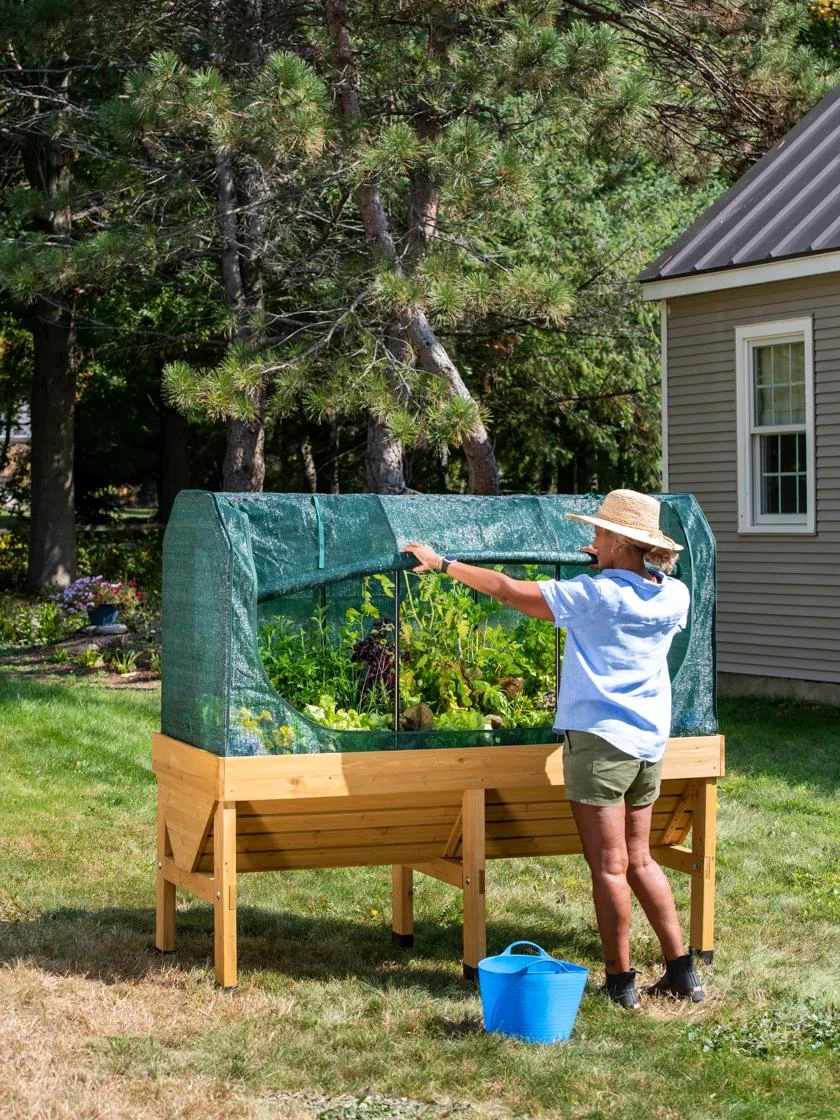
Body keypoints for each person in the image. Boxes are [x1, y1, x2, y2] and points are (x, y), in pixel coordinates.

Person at [402, 488, 704, 1010]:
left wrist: (443, 562)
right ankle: (683, 973)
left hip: (601, 743)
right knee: (641, 859)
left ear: (616, 540)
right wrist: (614, 562)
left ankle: (620, 982)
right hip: (649, 744)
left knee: (608, 866)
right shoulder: (673, 595)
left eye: (598, 534)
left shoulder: (597, 596)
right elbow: (641, 581)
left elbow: (508, 590)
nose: (590, 540)